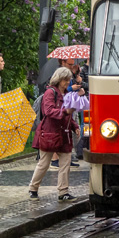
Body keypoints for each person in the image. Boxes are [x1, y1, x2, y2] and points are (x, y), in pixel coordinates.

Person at [28, 67, 79, 201]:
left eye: (69, 79)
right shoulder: (50, 93)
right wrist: (64, 112)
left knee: (66, 163)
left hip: (64, 133)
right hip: (50, 132)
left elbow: (69, 116)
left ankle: (63, 192)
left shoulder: (66, 94)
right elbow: (48, 111)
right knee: (44, 163)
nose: (68, 82)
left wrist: (75, 126)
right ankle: (33, 188)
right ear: (59, 79)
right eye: (65, 80)